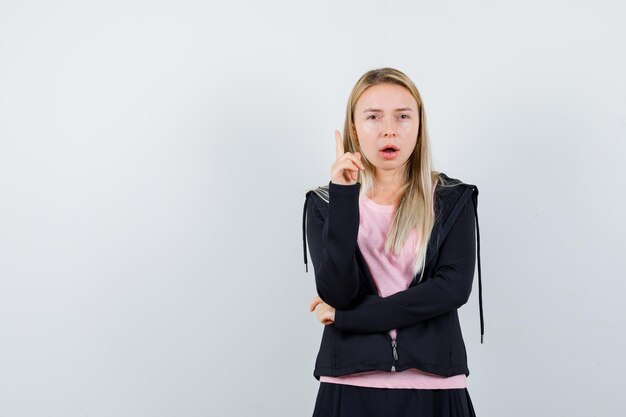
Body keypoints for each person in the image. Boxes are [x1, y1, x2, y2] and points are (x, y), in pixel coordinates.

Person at [301, 67, 484, 416]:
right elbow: (338, 293)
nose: (389, 129)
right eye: (373, 117)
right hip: (348, 386)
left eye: (403, 116)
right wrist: (343, 195)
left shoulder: (451, 198)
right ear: (354, 127)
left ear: (419, 125)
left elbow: (452, 290)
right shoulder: (324, 203)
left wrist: (347, 319)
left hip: (437, 388)